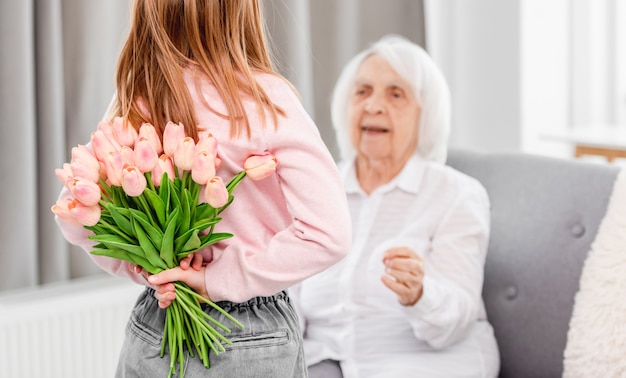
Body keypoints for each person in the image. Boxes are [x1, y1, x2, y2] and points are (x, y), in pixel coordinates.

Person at [54, 1, 351, 377]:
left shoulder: (137, 101)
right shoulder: (265, 100)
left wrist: (151, 267)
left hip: (159, 317)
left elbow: (76, 217)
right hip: (251, 329)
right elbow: (330, 234)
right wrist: (217, 280)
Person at [291, 35, 500, 378]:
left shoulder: (458, 194)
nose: (373, 106)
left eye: (395, 94)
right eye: (362, 92)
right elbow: (289, 303)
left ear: (425, 113)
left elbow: (457, 319)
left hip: (428, 364)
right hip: (326, 362)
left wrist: (420, 293)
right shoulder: (318, 189)